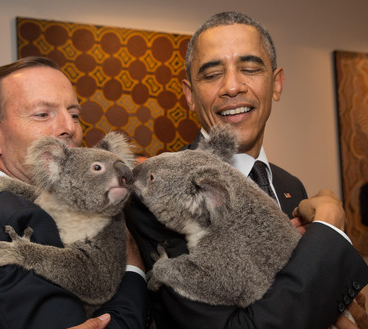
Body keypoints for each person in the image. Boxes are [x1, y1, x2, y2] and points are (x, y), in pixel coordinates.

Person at [125, 11, 368, 329]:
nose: (232, 86)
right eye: (212, 75)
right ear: (189, 95)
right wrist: (330, 227)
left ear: (277, 84)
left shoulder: (288, 184)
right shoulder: (158, 193)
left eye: (250, 69)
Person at [0, 57, 148, 329]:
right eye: (42, 114)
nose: (69, 127)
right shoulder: (20, 219)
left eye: (74, 115)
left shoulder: (0, 204)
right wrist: (133, 268)